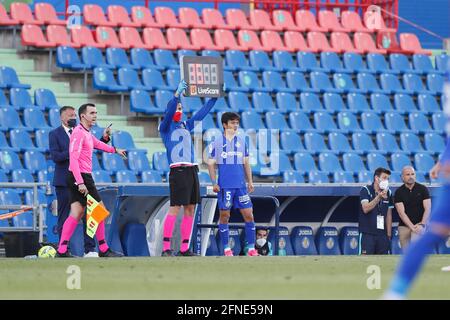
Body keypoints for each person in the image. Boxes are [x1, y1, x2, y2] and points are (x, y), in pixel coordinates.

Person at [56, 103, 126, 257]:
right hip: (80, 177)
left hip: (79, 176)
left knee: (77, 212)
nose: (95, 115)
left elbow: (98, 144)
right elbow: (73, 159)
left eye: (96, 112)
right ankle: (103, 248)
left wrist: (115, 150)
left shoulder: (86, 133)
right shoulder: (78, 133)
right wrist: (80, 182)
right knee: (99, 211)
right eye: (92, 113)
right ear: (83, 116)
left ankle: (61, 250)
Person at [159, 80, 217, 257]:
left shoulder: (186, 125)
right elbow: (169, 111)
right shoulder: (165, 127)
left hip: (192, 170)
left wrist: (213, 99)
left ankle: (184, 248)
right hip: (178, 171)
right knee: (175, 208)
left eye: (181, 109)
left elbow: (200, 115)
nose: (179, 111)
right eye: (177, 109)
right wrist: (175, 96)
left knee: (190, 208)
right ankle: (165, 248)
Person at [207, 112, 258, 257]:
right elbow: (210, 164)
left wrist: (250, 181)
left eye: (237, 123)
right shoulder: (217, 142)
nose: (235, 125)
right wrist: (214, 182)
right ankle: (226, 248)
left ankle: (251, 248)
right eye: (232, 123)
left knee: (249, 215)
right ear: (224, 125)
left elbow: (246, 163)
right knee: (225, 216)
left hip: (241, 186)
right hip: (225, 186)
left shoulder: (242, 142)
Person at [394, 166, 431, 249]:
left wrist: (422, 225)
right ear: (402, 177)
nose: (411, 176)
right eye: (407, 174)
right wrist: (412, 227)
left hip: (419, 225)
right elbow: (401, 213)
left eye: (412, 174)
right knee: (406, 255)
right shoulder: (399, 192)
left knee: (416, 251)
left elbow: (428, 208)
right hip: (404, 226)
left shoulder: (423, 189)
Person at [359, 167, 393, 255]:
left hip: (382, 235)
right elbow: (365, 208)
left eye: (388, 179)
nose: (386, 181)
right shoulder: (366, 190)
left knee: (383, 262)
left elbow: (389, 214)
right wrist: (378, 198)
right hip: (367, 233)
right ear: (377, 178)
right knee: (365, 262)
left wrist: (388, 234)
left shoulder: (388, 192)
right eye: (384, 178)